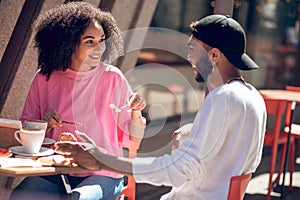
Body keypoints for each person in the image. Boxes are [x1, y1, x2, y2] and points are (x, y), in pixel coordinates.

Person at [56, 14, 267, 199]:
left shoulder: (221, 97)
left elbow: (175, 172)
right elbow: (228, 150)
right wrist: (192, 132)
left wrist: (101, 160)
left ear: (213, 55)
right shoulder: (252, 97)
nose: (189, 57)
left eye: (193, 49)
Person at [10, 2, 146, 200]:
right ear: (68, 42)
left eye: (102, 40)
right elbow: (26, 128)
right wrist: (45, 124)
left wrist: (136, 112)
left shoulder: (112, 78)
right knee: (20, 197)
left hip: (103, 173)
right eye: (89, 41)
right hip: (56, 170)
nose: (99, 48)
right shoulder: (45, 77)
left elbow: (133, 138)